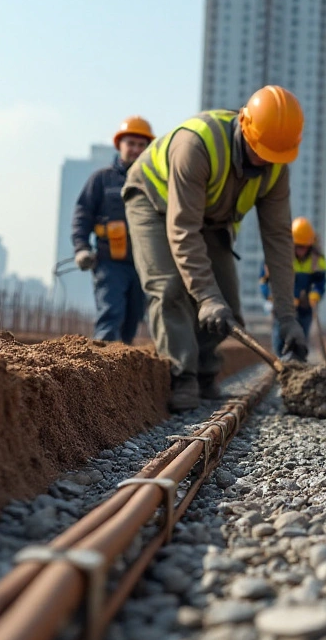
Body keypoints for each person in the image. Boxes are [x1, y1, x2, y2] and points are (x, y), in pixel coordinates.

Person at [122, 85, 309, 411]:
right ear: (244, 126)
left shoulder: (276, 165)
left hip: (209, 217)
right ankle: (182, 376)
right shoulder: (195, 146)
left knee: (229, 310)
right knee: (169, 288)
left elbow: (278, 240)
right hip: (154, 200)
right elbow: (182, 229)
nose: (264, 161)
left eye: (272, 156)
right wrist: (206, 296)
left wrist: (286, 316)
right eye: (259, 151)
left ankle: (205, 369)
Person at [71, 116, 154, 343]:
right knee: (111, 314)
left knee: (132, 320)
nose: (136, 149)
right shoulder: (101, 180)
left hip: (143, 266)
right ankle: (101, 365)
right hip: (109, 263)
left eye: (141, 145)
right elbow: (82, 215)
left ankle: (119, 368)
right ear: (120, 145)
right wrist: (81, 249)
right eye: (131, 144)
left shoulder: (155, 182)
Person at [260, 216, 326, 361]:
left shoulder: (317, 259)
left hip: (304, 307)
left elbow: (320, 282)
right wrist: (270, 296)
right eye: (297, 246)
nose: (300, 250)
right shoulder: (278, 256)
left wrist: (315, 295)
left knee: (301, 338)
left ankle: (299, 362)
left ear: (310, 244)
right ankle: (281, 363)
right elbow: (264, 280)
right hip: (282, 306)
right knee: (280, 337)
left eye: (304, 247)